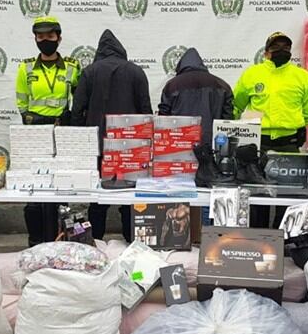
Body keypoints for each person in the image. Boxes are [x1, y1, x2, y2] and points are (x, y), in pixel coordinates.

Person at [71, 29, 152, 241]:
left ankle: (94, 242)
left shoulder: (89, 72)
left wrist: (79, 141)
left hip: (98, 144)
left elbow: (77, 110)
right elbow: (146, 111)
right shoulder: (136, 72)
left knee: (98, 197)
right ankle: (131, 242)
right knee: (130, 195)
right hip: (130, 144)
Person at [233, 31, 308, 227]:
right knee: (257, 196)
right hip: (258, 144)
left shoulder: (302, 77)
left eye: (285, 47)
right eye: (276, 47)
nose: (281, 50)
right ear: (266, 52)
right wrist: (239, 131)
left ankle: (282, 240)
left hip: (288, 145)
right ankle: (258, 236)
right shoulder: (252, 74)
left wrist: (293, 125)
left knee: (287, 197)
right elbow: (237, 105)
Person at [15, 16, 81, 246]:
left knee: (60, 187)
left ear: (59, 38)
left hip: (61, 132)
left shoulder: (73, 66)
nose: (45, 40)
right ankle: (35, 242)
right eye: (40, 37)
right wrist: (31, 120)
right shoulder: (26, 68)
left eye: (50, 36)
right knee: (34, 189)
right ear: (35, 39)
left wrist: (69, 119)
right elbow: (22, 101)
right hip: (34, 133)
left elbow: (78, 98)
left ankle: (59, 239)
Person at [159, 48, 234, 144]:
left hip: (179, 145)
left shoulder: (172, 85)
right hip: (212, 144)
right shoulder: (222, 85)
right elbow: (228, 120)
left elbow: (163, 118)